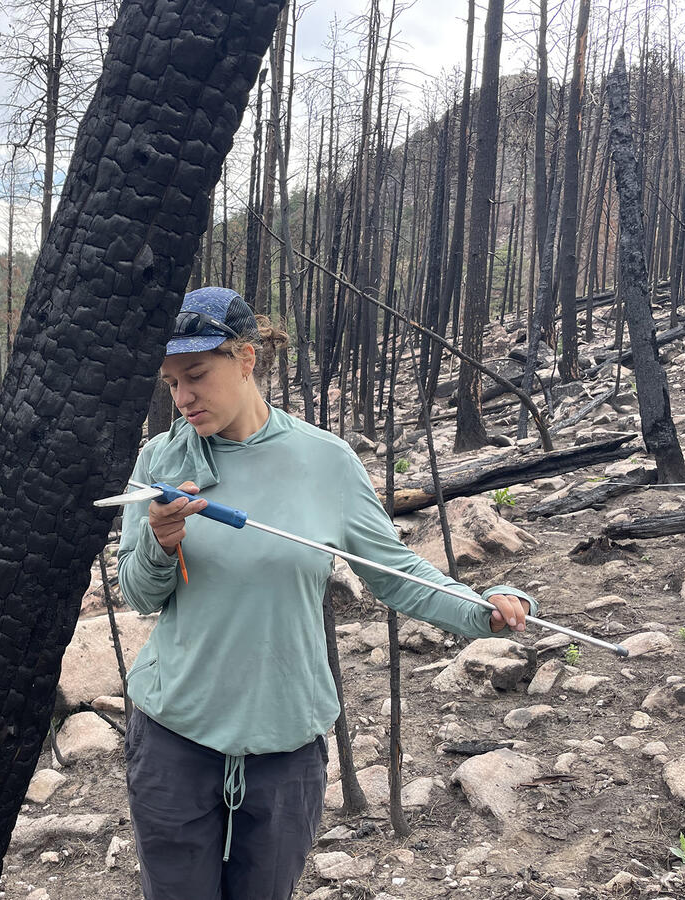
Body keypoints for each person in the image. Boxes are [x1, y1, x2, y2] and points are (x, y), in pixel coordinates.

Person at [115, 286, 537, 900]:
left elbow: (392, 570)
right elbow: (139, 595)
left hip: (286, 743)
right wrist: (161, 539)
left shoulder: (326, 461)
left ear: (247, 359)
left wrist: (482, 612)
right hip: (175, 736)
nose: (183, 399)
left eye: (197, 375)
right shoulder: (160, 459)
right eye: (171, 383)